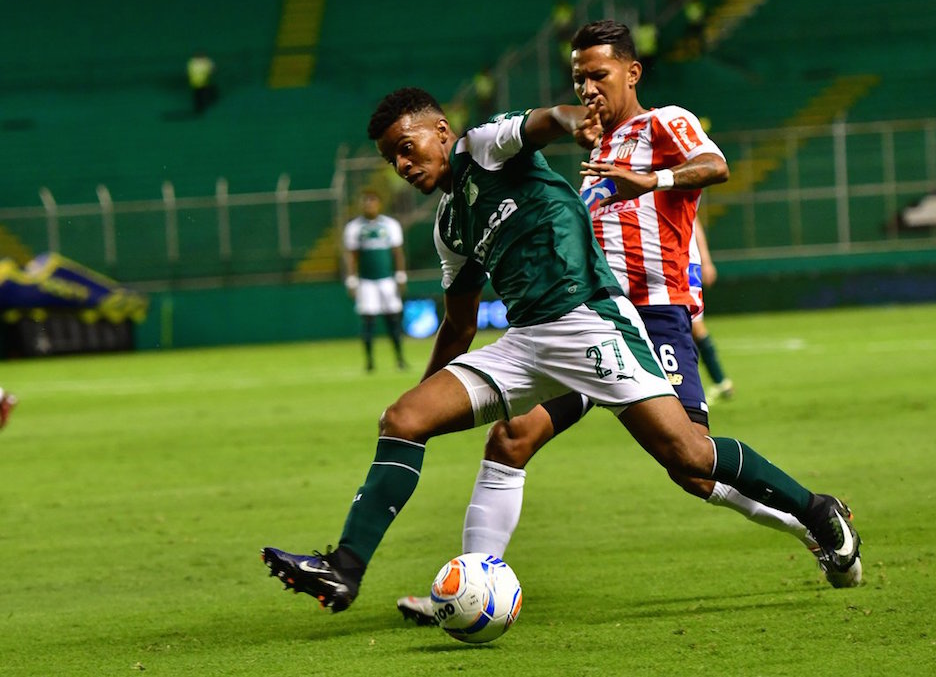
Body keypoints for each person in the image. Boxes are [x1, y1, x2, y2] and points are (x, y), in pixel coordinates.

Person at [261, 85, 861, 614]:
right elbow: (458, 324)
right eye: (391, 157)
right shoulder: (450, 225)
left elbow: (549, 119)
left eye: (407, 145)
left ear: (440, 131)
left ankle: (815, 510)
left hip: (591, 324)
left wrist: (579, 124)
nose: (401, 162)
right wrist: (426, 389)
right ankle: (344, 569)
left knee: (690, 457)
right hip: (525, 345)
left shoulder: (482, 147)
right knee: (403, 419)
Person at [342, 189, 408, 371]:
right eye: (366, 202)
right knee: (368, 321)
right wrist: (351, 279)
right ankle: (370, 362)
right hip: (366, 282)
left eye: (372, 201)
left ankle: (400, 358)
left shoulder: (390, 225)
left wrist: (401, 275)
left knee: (393, 319)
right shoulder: (354, 228)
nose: (369, 205)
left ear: (379, 204)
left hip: (387, 280)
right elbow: (352, 256)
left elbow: (397, 252)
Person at [690, 219, 734, 405]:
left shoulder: (671, 194)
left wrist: (706, 261)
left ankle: (717, 381)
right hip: (670, 266)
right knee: (693, 327)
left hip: (683, 267)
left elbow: (695, 223)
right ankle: (720, 381)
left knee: (694, 326)